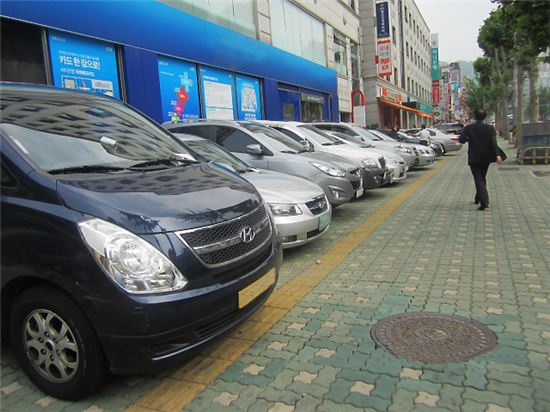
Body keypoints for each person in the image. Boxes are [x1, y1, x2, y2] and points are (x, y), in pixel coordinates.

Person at [459, 108, 502, 211]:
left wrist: (469, 138)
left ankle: (484, 201)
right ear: (485, 117)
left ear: (475, 116)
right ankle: (478, 197)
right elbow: (493, 143)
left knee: (478, 179)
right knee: (482, 177)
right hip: (486, 157)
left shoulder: (469, 128)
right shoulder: (490, 128)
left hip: (474, 157)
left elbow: (461, 140)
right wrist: (497, 155)